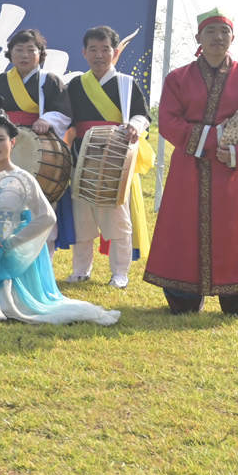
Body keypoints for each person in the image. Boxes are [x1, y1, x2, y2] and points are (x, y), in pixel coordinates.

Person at [144, 9, 238, 317]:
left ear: (232, 37)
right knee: (183, 228)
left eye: (224, 31)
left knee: (235, 231)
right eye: (211, 31)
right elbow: (168, 120)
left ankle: (235, 302)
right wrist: (212, 137)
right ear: (198, 38)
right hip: (188, 170)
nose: (218, 37)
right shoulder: (178, 78)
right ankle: (183, 299)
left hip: (232, 172)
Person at [0, 101, 120, 325]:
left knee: (11, 303)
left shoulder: (23, 178)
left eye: (0, 139)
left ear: (13, 142)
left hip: (15, 259)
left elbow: (47, 217)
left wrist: (11, 243)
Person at [65, 25, 153, 289]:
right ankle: (81, 270)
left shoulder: (126, 83)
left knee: (117, 217)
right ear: (84, 53)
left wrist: (135, 126)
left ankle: (119, 273)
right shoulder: (76, 84)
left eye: (105, 49)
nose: (99, 55)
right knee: (82, 217)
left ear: (115, 52)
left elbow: (142, 114)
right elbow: (66, 118)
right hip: (81, 156)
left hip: (115, 157)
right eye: (93, 49)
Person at [0, 27, 76, 248]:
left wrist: (47, 119)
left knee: (39, 206)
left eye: (31, 50)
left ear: (40, 54)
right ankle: (3, 247)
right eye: (18, 50)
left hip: (38, 151)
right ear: (10, 54)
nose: (24, 55)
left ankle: (43, 254)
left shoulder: (49, 80)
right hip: (5, 149)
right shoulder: (0, 81)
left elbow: (64, 113)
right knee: (3, 203)